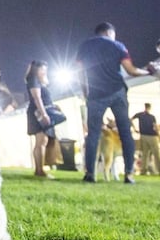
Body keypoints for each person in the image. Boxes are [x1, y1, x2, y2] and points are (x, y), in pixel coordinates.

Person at [76, 22, 150, 184]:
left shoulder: (85, 46)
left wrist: (85, 92)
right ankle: (129, 174)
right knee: (125, 133)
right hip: (117, 92)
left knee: (93, 135)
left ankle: (90, 174)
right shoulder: (118, 46)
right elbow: (131, 70)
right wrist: (148, 71)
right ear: (110, 32)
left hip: (95, 94)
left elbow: (80, 72)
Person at [24, 60, 60, 179]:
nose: (44, 72)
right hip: (38, 113)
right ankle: (39, 170)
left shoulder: (39, 81)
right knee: (41, 142)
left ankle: (39, 169)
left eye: (45, 69)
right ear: (36, 69)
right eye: (42, 69)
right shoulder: (33, 79)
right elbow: (37, 97)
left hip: (40, 112)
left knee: (41, 142)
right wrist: (44, 114)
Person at [131, 103, 159, 175]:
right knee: (156, 154)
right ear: (150, 108)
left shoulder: (140, 115)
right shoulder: (152, 117)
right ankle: (159, 169)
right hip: (152, 136)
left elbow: (130, 119)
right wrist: (158, 135)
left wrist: (134, 129)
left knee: (145, 154)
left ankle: (143, 170)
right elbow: (155, 127)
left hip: (143, 136)